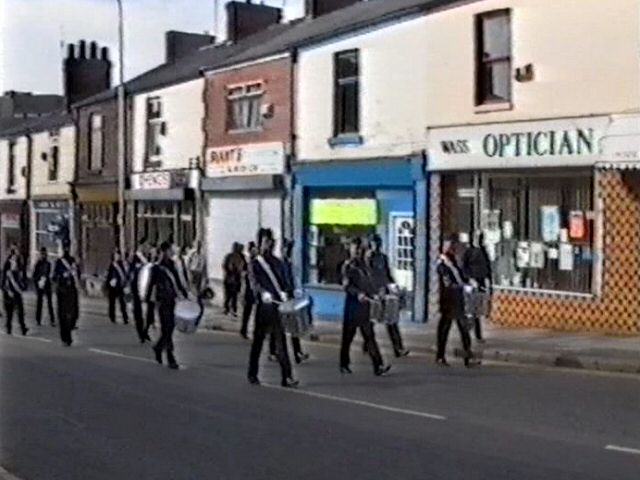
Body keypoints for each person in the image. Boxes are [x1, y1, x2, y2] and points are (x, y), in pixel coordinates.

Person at [247, 228, 298, 388]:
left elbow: (284, 282)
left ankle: (287, 376)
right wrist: (263, 293)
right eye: (265, 242)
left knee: (281, 342)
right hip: (264, 309)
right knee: (258, 342)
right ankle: (252, 373)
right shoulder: (255, 264)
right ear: (260, 243)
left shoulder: (277, 263)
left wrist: (287, 292)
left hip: (277, 308)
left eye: (271, 242)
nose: (269, 245)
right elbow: (254, 284)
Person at [340, 237, 390, 376]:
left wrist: (377, 292)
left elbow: (370, 282)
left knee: (370, 336)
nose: (358, 252)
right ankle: (344, 363)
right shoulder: (347, 266)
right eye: (356, 249)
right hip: (352, 307)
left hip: (365, 307)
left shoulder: (366, 266)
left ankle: (378, 365)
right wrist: (358, 293)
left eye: (361, 249)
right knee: (347, 338)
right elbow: (347, 285)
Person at [436, 234, 479, 367]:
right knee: (449, 329)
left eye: (452, 245)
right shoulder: (442, 263)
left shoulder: (453, 260)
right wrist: (463, 286)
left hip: (457, 300)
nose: (452, 248)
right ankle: (442, 355)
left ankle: (464, 356)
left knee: (459, 328)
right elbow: (447, 282)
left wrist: (469, 281)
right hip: (449, 300)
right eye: (449, 245)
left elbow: (460, 275)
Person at [366, 234, 410, 358]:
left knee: (391, 321)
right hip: (374, 293)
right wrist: (374, 291)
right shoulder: (368, 258)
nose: (376, 246)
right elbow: (368, 276)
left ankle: (398, 348)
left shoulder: (383, 257)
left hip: (385, 291)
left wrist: (393, 285)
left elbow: (387, 273)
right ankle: (368, 345)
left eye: (378, 243)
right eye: (374, 243)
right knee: (371, 321)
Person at [146, 242, 188, 369]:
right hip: (162, 300)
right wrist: (149, 301)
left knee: (170, 328)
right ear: (164, 252)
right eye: (170, 250)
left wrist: (185, 293)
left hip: (172, 299)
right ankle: (170, 358)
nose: (172, 252)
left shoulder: (172, 265)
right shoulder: (157, 268)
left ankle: (159, 347)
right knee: (167, 327)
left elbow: (177, 281)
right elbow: (150, 284)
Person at [269, 240, 310, 364]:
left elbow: (293, 280)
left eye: (290, 249)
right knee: (276, 326)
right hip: (281, 297)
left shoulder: (290, 264)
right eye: (286, 249)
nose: (288, 252)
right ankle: (273, 351)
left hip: (291, 296)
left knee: (293, 326)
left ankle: (298, 353)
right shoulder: (278, 264)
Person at [462, 231, 492, 343]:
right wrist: (470, 279)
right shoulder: (469, 251)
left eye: (480, 238)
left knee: (477, 311)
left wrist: (489, 282)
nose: (479, 240)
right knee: (471, 310)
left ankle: (476, 334)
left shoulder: (483, 251)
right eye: (477, 238)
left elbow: (487, 267)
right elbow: (463, 267)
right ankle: (469, 332)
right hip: (472, 284)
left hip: (481, 283)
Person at [53, 242, 79, 346]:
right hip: (62, 290)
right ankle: (66, 337)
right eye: (65, 248)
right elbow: (54, 276)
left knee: (74, 313)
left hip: (72, 290)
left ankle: (71, 327)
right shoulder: (59, 262)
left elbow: (78, 274)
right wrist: (63, 275)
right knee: (63, 315)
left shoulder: (73, 261)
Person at [129, 241, 152, 343]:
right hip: (137, 288)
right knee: (138, 312)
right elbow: (131, 273)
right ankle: (141, 333)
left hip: (149, 288)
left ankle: (146, 329)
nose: (147, 248)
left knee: (150, 313)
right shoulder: (135, 258)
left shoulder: (150, 257)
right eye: (145, 246)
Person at [2, 247, 28, 336]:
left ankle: (23, 328)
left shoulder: (18, 266)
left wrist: (23, 287)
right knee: (9, 312)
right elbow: (3, 281)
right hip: (9, 292)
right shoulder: (7, 267)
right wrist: (7, 290)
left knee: (20, 311)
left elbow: (22, 278)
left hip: (16, 292)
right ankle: (9, 328)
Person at [33, 247, 56, 327]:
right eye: (42, 254)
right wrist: (37, 283)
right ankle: (38, 320)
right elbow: (34, 275)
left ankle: (52, 320)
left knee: (49, 303)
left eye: (44, 254)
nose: (43, 255)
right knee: (39, 303)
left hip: (47, 284)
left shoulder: (48, 264)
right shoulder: (38, 264)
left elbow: (49, 273)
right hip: (40, 285)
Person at [240, 241, 258, 339]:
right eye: (253, 251)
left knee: (253, 312)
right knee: (247, 311)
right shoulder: (247, 263)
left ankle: (248, 330)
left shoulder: (257, 263)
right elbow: (243, 277)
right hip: (248, 290)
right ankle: (244, 330)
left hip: (253, 290)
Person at [223, 242, 245, 317]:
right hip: (229, 279)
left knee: (234, 296)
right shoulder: (229, 256)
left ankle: (233, 309)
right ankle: (227, 308)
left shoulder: (241, 257)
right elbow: (225, 266)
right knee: (228, 295)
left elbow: (244, 267)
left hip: (235, 280)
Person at [106, 250, 129, 325]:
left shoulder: (121, 264)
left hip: (120, 286)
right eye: (115, 255)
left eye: (118, 255)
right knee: (112, 303)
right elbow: (109, 276)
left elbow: (123, 274)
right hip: (112, 287)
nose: (116, 257)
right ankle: (112, 317)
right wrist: (110, 282)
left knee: (122, 303)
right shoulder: (112, 265)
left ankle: (125, 318)